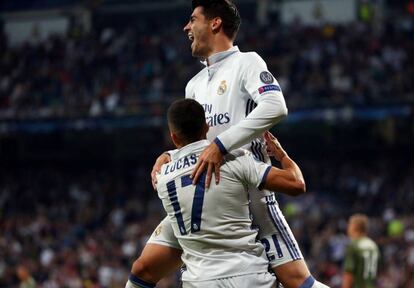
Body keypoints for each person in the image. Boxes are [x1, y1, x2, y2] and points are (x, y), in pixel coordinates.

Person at [131, 1, 329, 287]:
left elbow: (275, 106)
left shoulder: (247, 63)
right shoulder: (194, 84)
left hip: (250, 198)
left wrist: (221, 146)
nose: (186, 27)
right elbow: (198, 140)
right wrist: (170, 154)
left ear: (215, 23)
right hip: (203, 198)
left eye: (192, 19)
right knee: (144, 268)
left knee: (297, 281)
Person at [127, 98, 306, 288]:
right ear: (207, 126)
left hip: (199, 281)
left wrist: (166, 155)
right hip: (249, 277)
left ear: (174, 137)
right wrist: (282, 156)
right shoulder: (235, 159)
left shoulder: (162, 176)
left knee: (141, 269)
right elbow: (296, 184)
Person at [342, 214, 379, 288]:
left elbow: (348, 275)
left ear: (354, 227)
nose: (347, 227)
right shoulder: (373, 246)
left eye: (349, 224)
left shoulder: (353, 245)